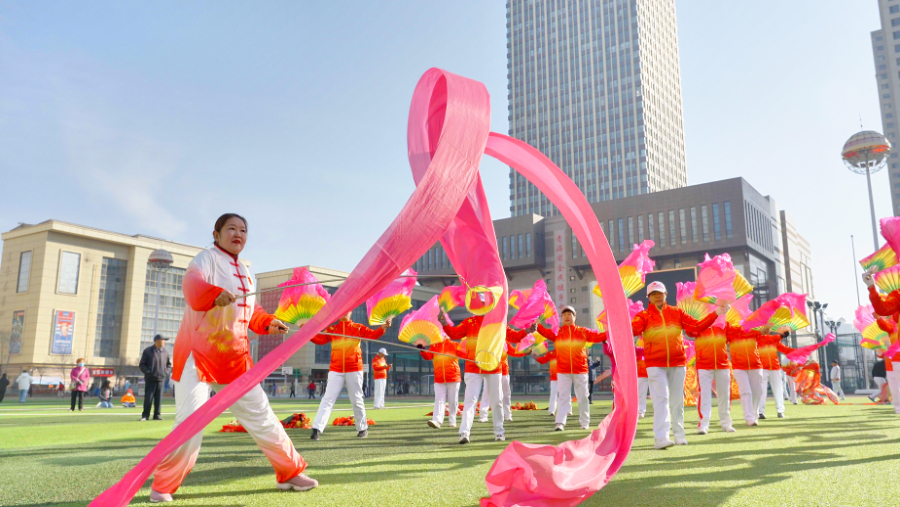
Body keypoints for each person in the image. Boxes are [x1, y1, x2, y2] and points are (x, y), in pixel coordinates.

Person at [150, 213, 315, 503]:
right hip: (197, 355)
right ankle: (162, 485)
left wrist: (268, 322)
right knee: (190, 423)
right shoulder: (206, 259)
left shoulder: (246, 272)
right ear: (216, 234)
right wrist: (213, 294)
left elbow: (252, 312)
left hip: (236, 360)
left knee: (262, 417)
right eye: (231, 229)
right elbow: (191, 285)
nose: (238, 234)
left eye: (243, 230)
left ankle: (289, 472)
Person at [628, 282, 723, 449]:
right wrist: (620, 321)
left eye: (660, 293)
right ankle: (661, 438)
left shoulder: (677, 312)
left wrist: (716, 313)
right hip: (655, 363)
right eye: (653, 294)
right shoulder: (643, 316)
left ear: (666, 294)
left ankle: (679, 435)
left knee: (677, 401)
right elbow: (632, 330)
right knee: (661, 399)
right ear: (648, 297)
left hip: (678, 362)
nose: (657, 296)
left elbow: (696, 326)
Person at [441, 312, 531, 444]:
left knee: (497, 401)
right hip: (473, 367)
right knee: (470, 401)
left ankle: (499, 432)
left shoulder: (499, 323)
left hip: (493, 367)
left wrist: (527, 331)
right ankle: (464, 433)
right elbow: (454, 334)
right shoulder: (470, 322)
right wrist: (444, 323)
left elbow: (514, 337)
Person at [309, 312, 391, 440]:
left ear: (351, 311)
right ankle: (316, 429)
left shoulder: (358, 328)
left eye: (346, 310)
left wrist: (382, 328)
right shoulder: (332, 329)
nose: (343, 312)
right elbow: (319, 340)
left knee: (356, 399)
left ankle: (362, 428)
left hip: (354, 369)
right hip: (336, 369)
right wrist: (306, 331)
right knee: (327, 399)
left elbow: (373, 335)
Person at [536, 306, 608, 432]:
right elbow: (545, 332)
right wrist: (537, 325)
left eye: (569, 314)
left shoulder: (582, 331)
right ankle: (560, 423)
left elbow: (598, 337)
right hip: (563, 371)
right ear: (562, 318)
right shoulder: (557, 332)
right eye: (564, 315)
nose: (567, 316)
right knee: (563, 397)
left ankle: (584, 422)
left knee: (583, 397)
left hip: (580, 370)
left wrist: (611, 331)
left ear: (575, 317)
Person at [864, 270, 900, 414]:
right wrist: (871, 287)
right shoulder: (898, 296)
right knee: (895, 387)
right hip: (896, 359)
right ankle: (898, 408)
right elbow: (883, 309)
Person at [420, 337, 461, 429]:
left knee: (453, 400)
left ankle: (452, 420)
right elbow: (427, 356)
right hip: (439, 377)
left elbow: (464, 354)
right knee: (439, 399)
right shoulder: (434, 346)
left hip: (453, 377)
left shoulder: (454, 345)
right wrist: (422, 349)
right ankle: (437, 421)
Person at [757, 328, 796, 419]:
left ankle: (780, 411)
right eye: (765, 328)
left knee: (778, 389)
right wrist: (782, 335)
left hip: (774, 367)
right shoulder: (758, 339)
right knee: (761, 390)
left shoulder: (774, 340)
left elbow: (785, 349)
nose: (767, 330)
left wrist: (797, 351)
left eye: (768, 329)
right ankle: (761, 412)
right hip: (762, 367)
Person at [140, 334, 171, 421]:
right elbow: (142, 364)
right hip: (150, 379)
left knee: (158, 398)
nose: (164, 342)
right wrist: (148, 372)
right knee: (148, 398)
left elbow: (169, 365)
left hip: (161, 379)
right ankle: (145, 415)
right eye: (163, 340)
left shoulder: (165, 352)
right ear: (157, 341)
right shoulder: (148, 351)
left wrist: (166, 373)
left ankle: (157, 415)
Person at [532, 348, 560, 416]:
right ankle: (552, 411)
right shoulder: (551, 353)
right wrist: (536, 358)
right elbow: (543, 360)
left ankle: (568, 410)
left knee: (565, 394)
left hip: (565, 376)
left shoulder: (566, 352)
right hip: (554, 377)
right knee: (553, 394)